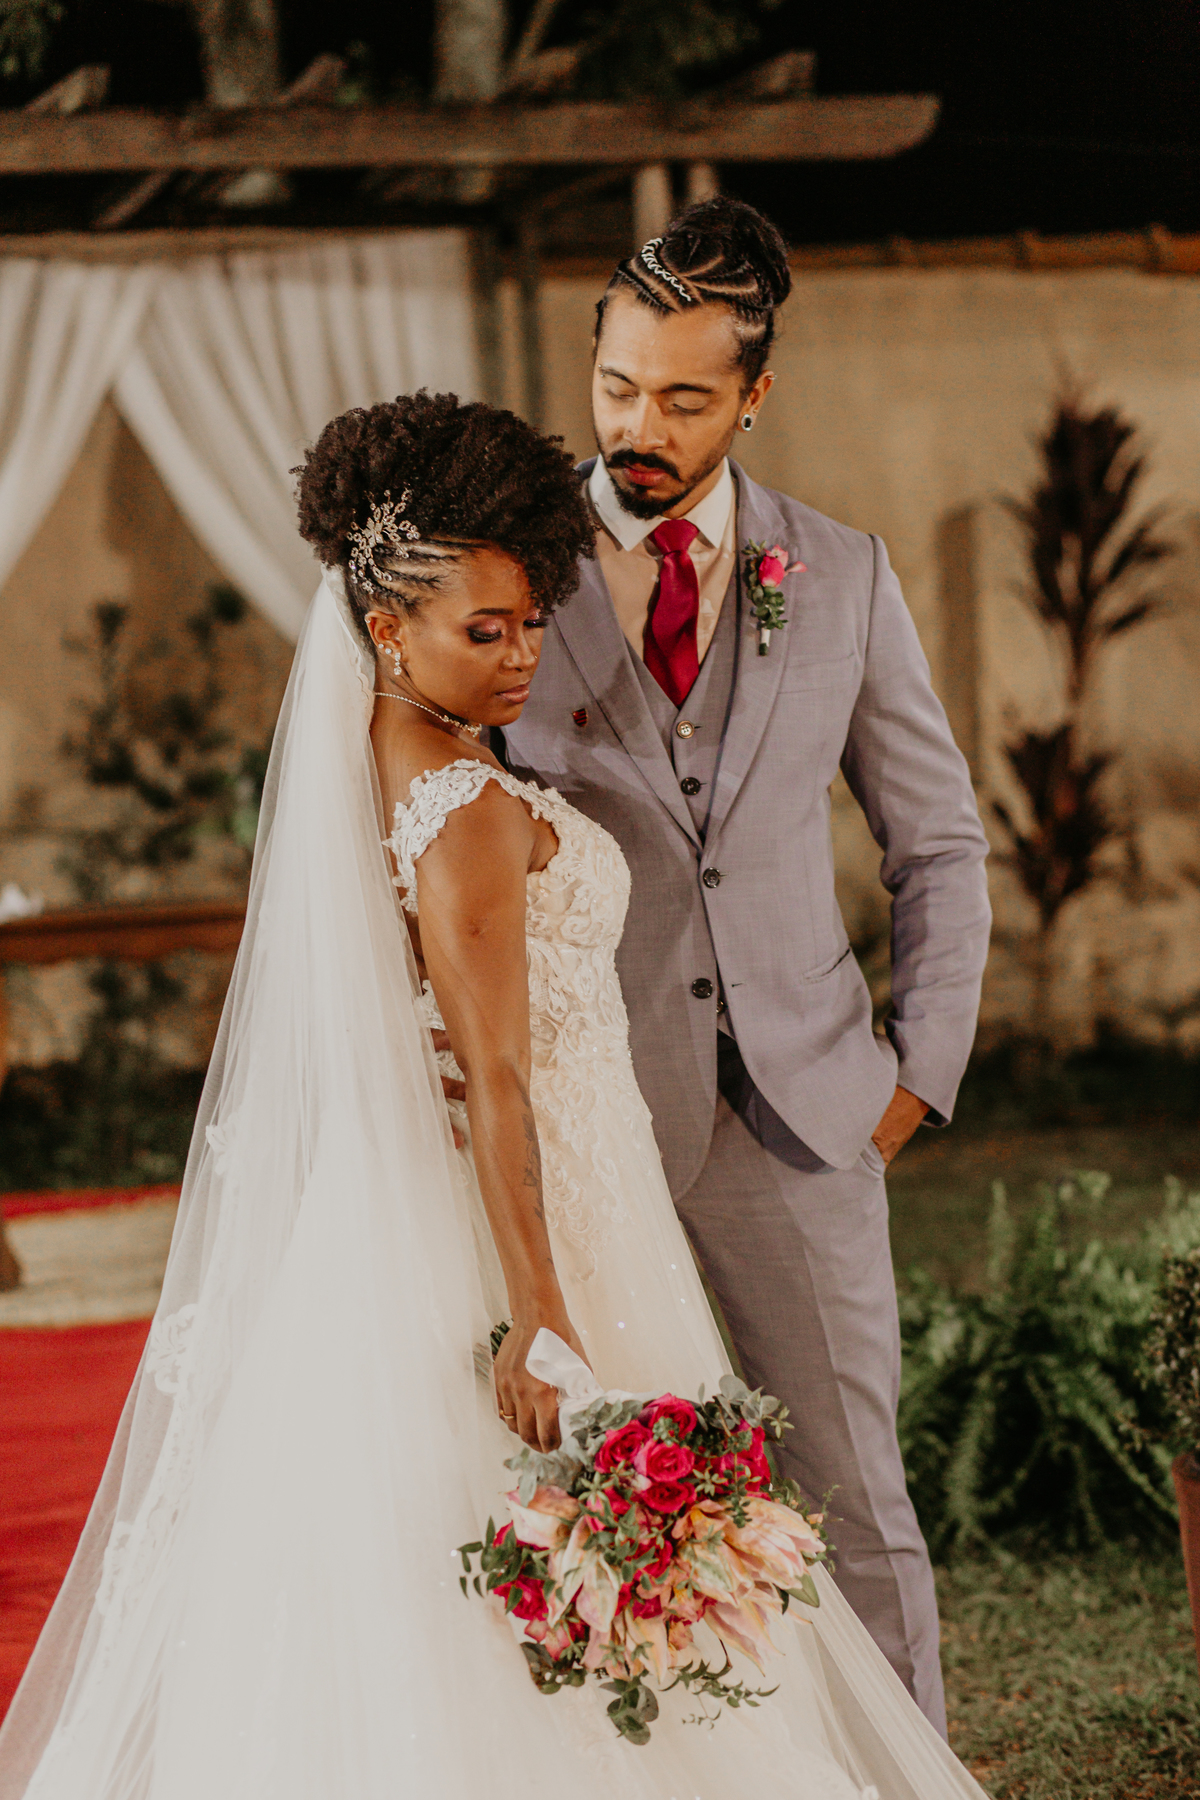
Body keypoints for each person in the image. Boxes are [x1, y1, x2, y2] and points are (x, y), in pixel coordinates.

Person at [0, 392, 986, 1799]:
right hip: (534, 1217)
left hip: (489, 1189)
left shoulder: (408, 758)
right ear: (387, 629)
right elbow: (499, 1070)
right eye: (486, 632)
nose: (522, 656)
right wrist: (538, 1308)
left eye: (530, 623)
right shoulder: (462, 810)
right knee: (533, 1545)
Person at [498, 197, 992, 1735]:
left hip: (805, 1114)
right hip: (585, 1119)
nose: (639, 429)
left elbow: (940, 842)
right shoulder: (504, 564)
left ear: (756, 393)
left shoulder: (842, 571)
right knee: (580, 1506)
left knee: (857, 1498)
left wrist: (915, 1079)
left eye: (685, 399)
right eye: (617, 388)